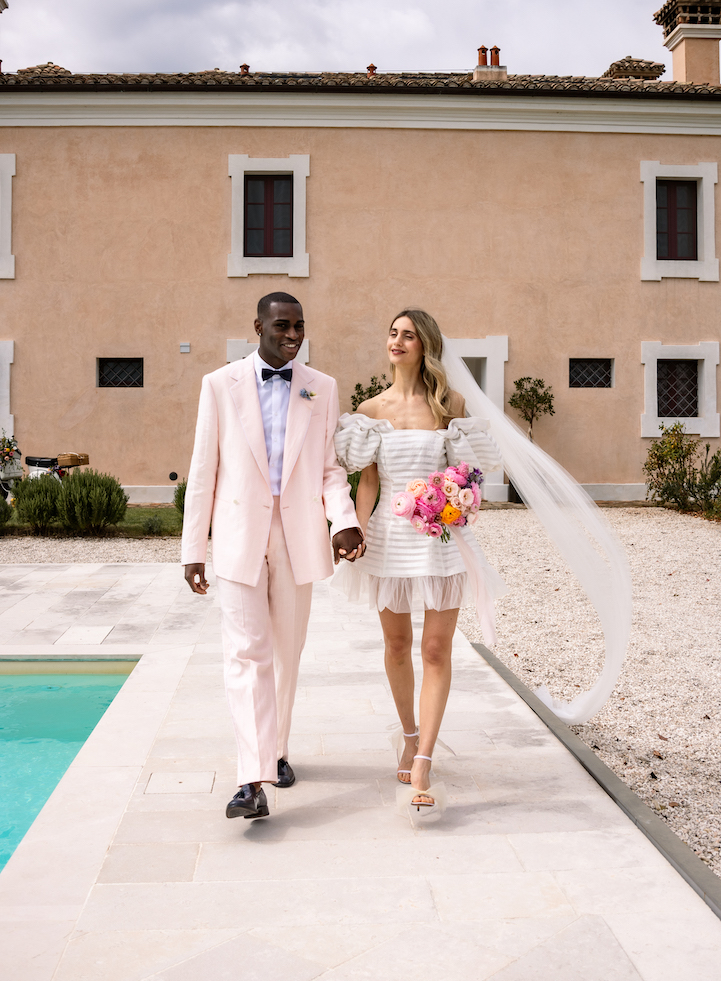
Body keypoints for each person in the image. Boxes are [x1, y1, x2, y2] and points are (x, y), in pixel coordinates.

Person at [181, 291, 365, 820]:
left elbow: (330, 468)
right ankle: (252, 780)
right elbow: (203, 471)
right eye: (282, 325)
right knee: (246, 655)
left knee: (285, 654)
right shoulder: (219, 385)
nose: (293, 335)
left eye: (300, 326)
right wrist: (194, 547)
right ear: (257, 325)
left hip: (298, 536)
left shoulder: (321, 388)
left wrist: (343, 521)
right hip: (240, 535)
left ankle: (276, 749)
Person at [332, 308, 504, 817]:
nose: (398, 341)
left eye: (408, 335)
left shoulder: (450, 404)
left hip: (440, 540)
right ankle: (407, 734)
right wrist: (357, 529)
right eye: (393, 333)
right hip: (388, 537)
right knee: (397, 644)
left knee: (434, 648)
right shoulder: (370, 408)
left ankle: (425, 758)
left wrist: (455, 501)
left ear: (425, 345)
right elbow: (366, 481)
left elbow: (469, 476)